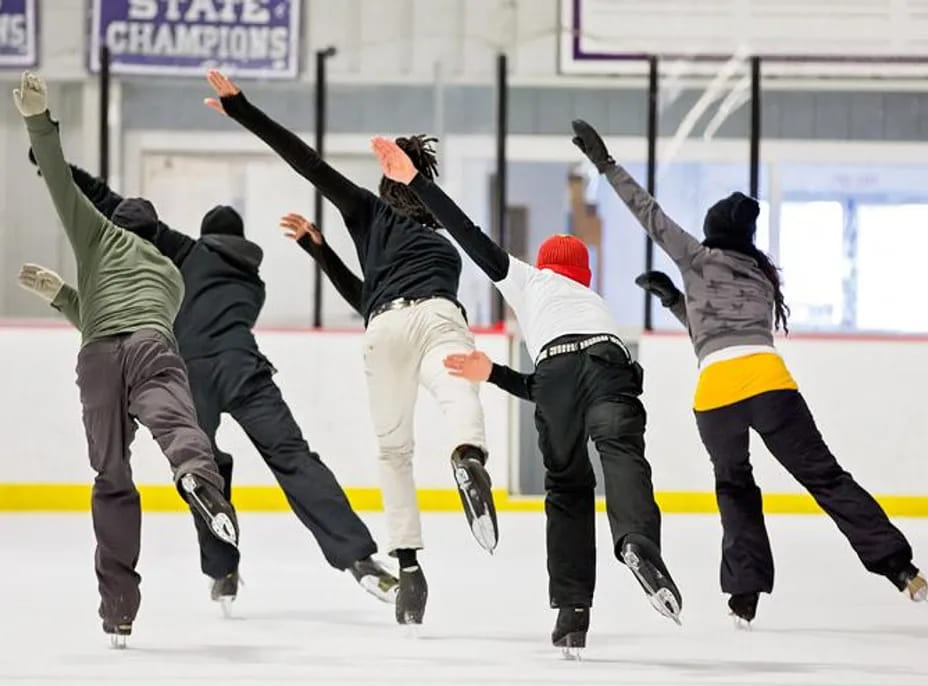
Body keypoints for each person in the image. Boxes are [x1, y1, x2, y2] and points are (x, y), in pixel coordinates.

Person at [570, 118, 927, 625]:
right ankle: (900, 568)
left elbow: (648, 215)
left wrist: (606, 165)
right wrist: (676, 300)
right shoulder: (761, 277)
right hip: (768, 385)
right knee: (825, 478)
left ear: (712, 231)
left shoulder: (696, 256)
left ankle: (744, 596)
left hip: (716, 396)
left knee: (734, 486)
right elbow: (729, 333)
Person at [20, 159, 400, 612]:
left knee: (204, 469)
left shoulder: (188, 251)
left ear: (206, 235)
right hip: (245, 370)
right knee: (294, 458)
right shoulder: (253, 283)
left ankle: (223, 571)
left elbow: (110, 204)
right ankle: (360, 559)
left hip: (189, 373)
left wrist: (59, 168)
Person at [202, 69, 497, 626]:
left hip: (383, 329)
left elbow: (308, 164)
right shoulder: (446, 247)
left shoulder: (370, 214)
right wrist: (322, 250)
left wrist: (243, 110)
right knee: (459, 391)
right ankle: (468, 455)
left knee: (394, 453)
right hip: (438, 316)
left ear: (387, 185)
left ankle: (408, 567)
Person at [370, 136, 683, 654]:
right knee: (623, 457)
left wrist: (416, 183)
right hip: (609, 364)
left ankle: (571, 613)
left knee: (566, 488)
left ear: (543, 263)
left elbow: (467, 235)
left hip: (554, 371)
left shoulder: (529, 280)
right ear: (583, 274)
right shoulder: (594, 300)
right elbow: (584, 369)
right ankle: (638, 544)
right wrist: (492, 370)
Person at [13, 72, 239, 646]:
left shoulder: (99, 237)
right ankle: (197, 478)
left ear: (116, 225)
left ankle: (118, 611)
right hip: (150, 345)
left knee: (111, 477)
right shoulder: (170, 274)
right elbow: (130, 316)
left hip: (97, 358)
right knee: (178, 425)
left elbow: (61, 183)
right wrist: (65, 294)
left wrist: (39, 119)